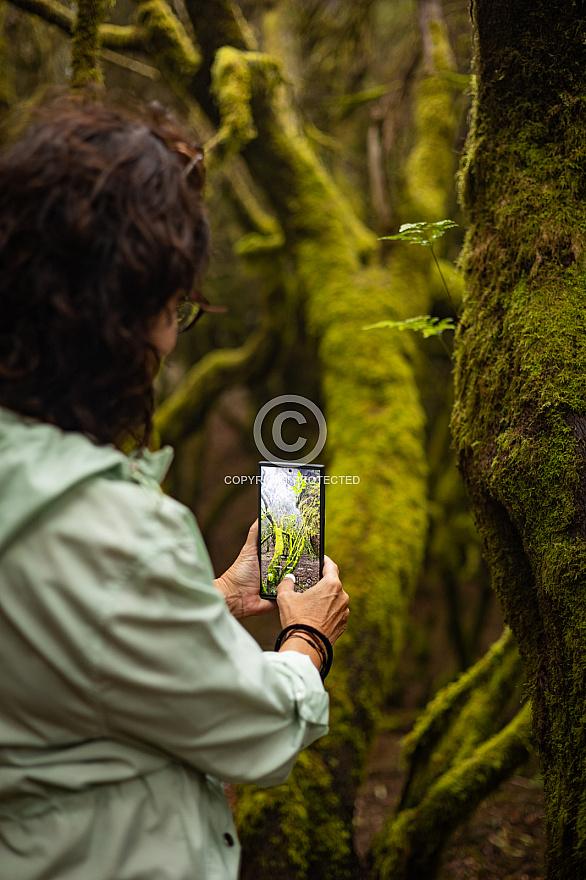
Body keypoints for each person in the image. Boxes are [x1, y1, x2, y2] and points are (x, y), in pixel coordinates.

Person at [0, 102, 349, 880]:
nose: (169, 336)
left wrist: (216, 596)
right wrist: (308, 636)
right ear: (128, 315)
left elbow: (62, 650)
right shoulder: (112, 528)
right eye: (174, 308)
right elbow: (254, 735)